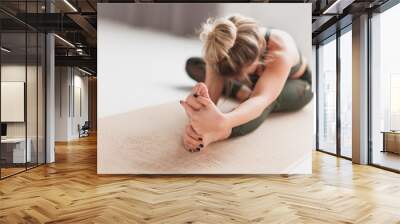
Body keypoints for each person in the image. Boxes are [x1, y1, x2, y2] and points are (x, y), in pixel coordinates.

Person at [180, 14, 313, 152]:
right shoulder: (222, 44)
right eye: (237, 76)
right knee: (194, 64)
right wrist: (197, 121)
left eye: (244, 73)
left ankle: (221, 131)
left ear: (260, 48)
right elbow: (210, 98)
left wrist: (222, 123)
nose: (240, 77)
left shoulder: (281, 49)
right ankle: (242, 92)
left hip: (297, 84)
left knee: (265, 102)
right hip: (252, 81)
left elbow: (261, 99)